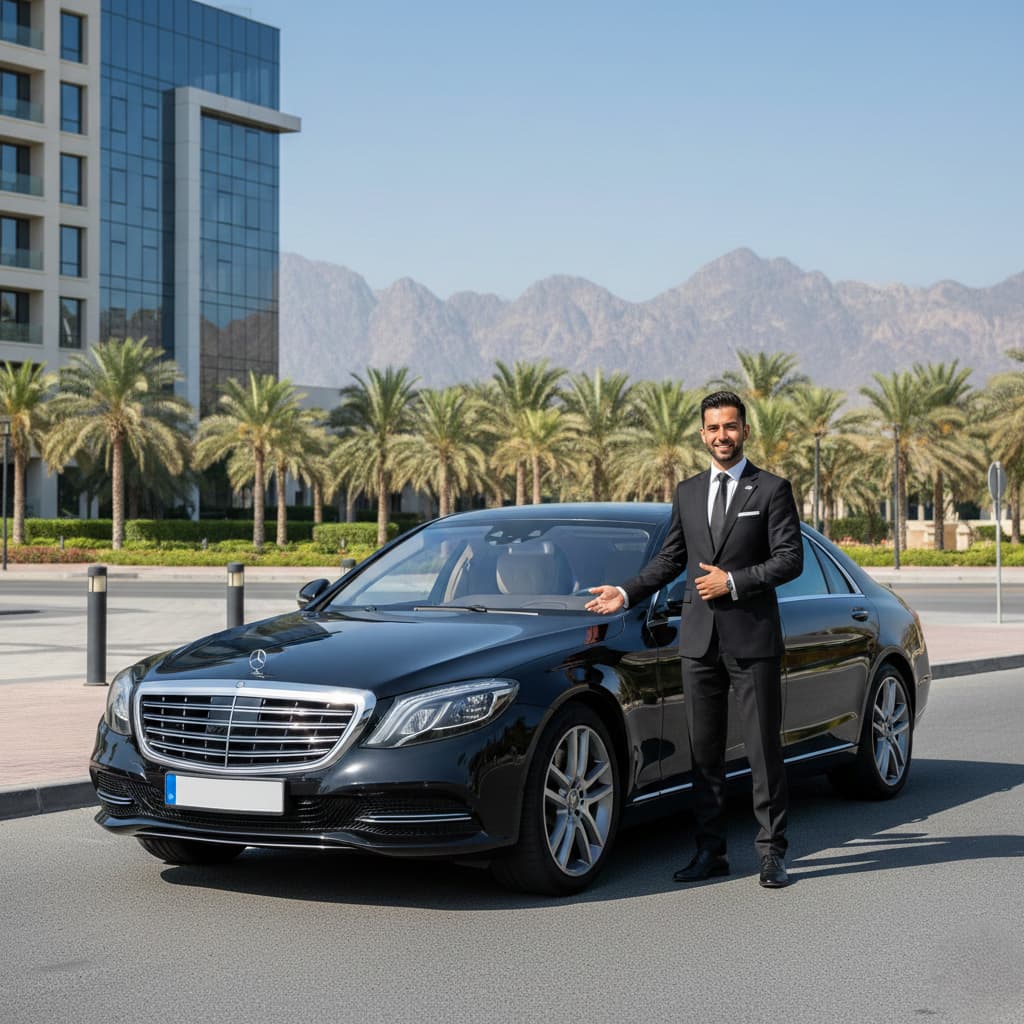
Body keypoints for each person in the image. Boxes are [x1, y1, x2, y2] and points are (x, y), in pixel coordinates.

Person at [586, 390, 802, 888]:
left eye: (730, 426)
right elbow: (670, 559)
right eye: (712, 428)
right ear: (701, 434)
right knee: (704, 753)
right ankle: (711, 851)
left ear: (745, 431)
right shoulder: (687, 492)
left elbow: (791, 559)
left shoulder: (771, 489)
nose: (721, 436)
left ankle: (773, 853)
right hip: (699, 642)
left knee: (763, 750)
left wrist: (733, 581)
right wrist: (626, 590)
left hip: (752, 640)